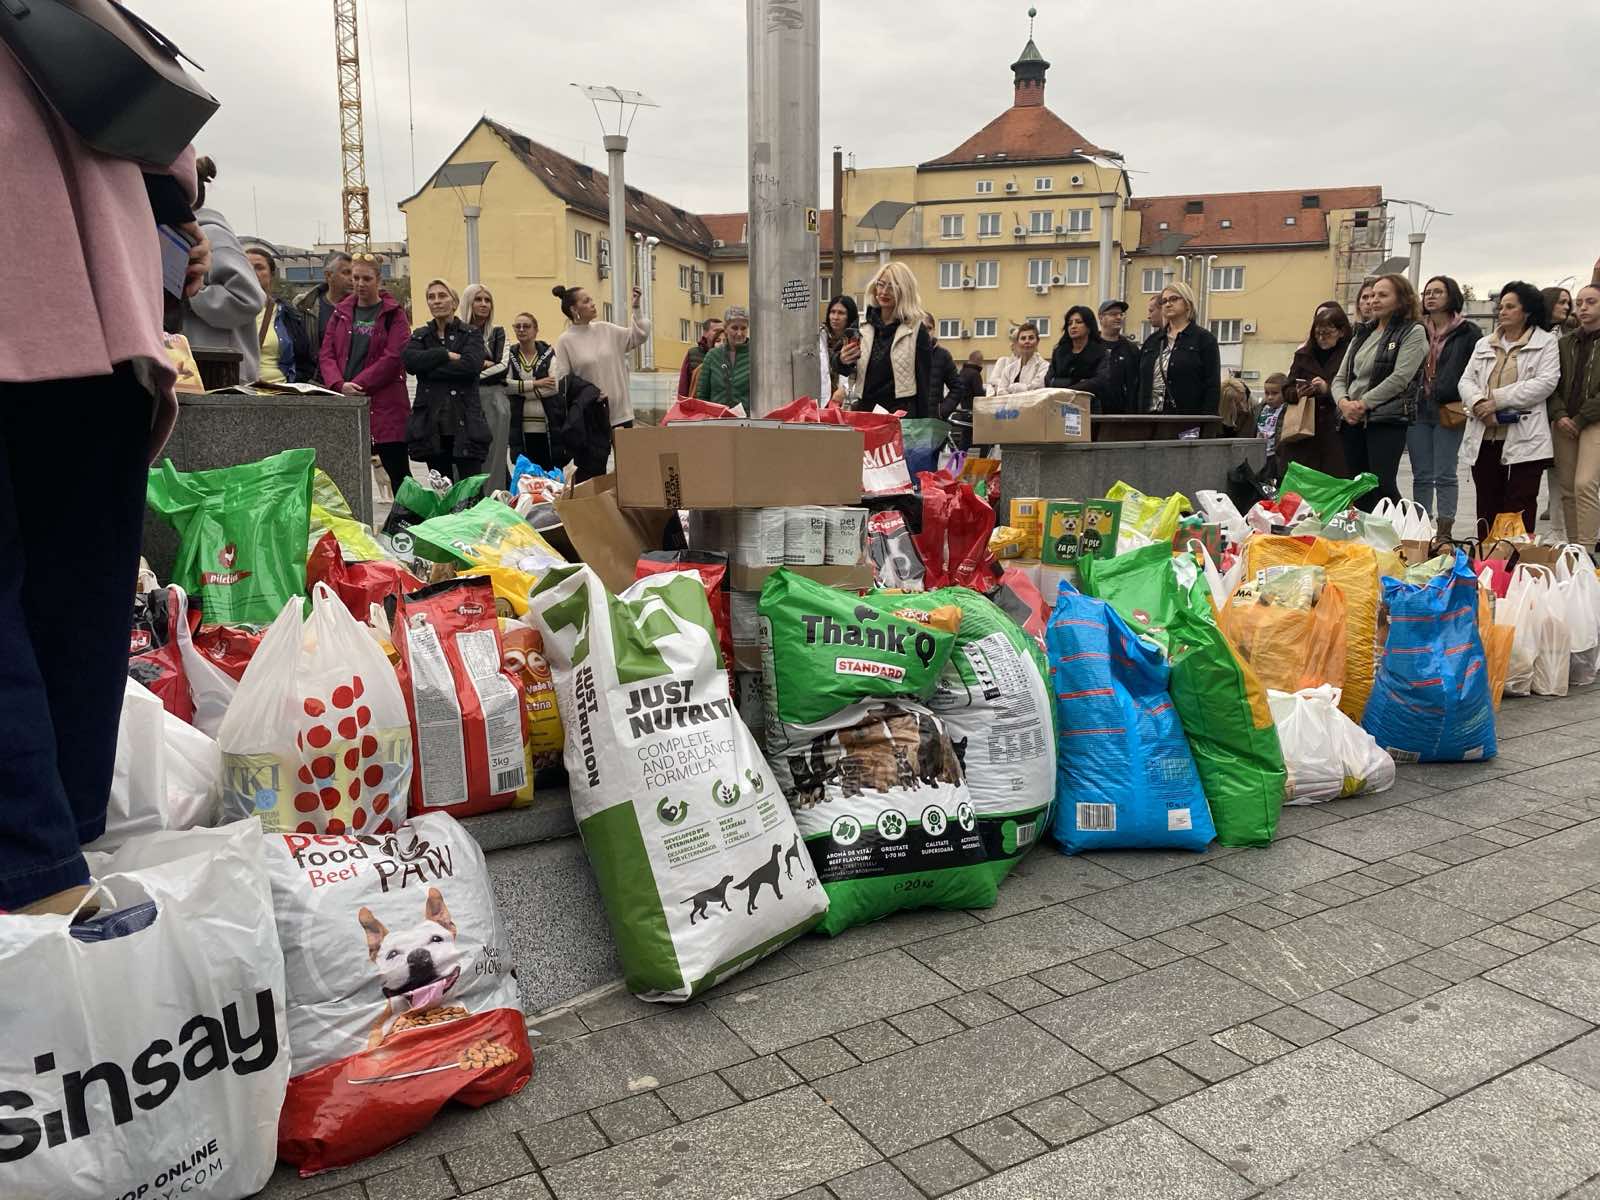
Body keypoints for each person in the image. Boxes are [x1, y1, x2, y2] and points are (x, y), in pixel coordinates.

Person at [2, 48, 208, 913]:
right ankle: (70, 829)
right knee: (79, 589)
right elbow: (173, 158)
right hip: (103, 313)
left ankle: (32, 868)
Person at [1458, 281, 1559, 537]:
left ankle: (1517, 566)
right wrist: (1480, 403)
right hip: (1485, 436)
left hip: (1524, 439)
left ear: (1527, 311)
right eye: (1500, 306)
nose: (1502, 311)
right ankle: (1488, 566)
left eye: (1510, 306)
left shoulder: (1546, 342)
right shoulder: (1484, 343)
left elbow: (1545, 382)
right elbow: (1466, 380)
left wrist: (1498, 400)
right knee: (1487, 506)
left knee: (1519, 507)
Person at [320, 254, 412, 495]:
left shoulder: (394, 314)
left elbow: (393, 357)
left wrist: (357, 385)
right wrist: (338, 384)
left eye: (367, 278)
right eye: (355, 277)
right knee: (345, 475)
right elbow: (326, 353)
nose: (360, 283)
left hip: (386, 407)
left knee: (399, 476)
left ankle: (409, 521)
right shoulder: (340, 312)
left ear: (379, 280)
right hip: (347, 403)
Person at [1333, 274, 1425, 509]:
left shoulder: (1412, 331)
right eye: (1372, 295)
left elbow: (1400, 378)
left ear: (1402, 299)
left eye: (1383, 295)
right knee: (1358, 485)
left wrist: (1363, 403)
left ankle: (1405, 535)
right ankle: (1366, 539)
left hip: (1386, 418)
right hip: (1352, 420)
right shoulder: (1362, 333)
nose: (1374, 300)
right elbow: (1340, 378)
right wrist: (1344, 404)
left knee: (1382, 485)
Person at [1408, 275, 1481, 537]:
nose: (1430, 296)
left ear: (1451, 296)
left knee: (1446, 472)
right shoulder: (1415, 328)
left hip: (1449, 406)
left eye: (1437, 292)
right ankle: (1421, 526)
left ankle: (1445, 529)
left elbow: (1477, 369)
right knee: (1422, 474)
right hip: (1417, 405)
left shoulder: (1468, 331)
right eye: (1427, 292)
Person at [181, 155, 265, 382]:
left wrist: (193, 293)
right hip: (198, 371)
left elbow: (248, 298)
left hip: (222, 377)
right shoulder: (180, 234)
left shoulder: (214, 235)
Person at [404, 278, 489, 482]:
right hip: (432, 424)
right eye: (431, 297)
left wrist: (429, 367)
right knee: (441, 490)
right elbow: (410, 362)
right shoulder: (420, 335)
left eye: (442, 296)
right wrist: (444, 354)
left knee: (470, 491)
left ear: (454, 302)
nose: (436, 301)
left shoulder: (471, 333)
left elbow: (470, 366)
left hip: (465, 422)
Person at [551, 283, 649, 429]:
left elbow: (639, 336)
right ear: (574, 309)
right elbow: (563, 380)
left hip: (622, 414)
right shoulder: (565, 341)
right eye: (586, 301)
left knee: (628, 452)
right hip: (591, 417)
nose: (592, 304)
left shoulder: (606, 329)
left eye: (591, 299)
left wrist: (636, 308)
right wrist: (589, 393)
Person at [841, 261, 934, 415]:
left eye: (891, 286)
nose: (884, 291)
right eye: (881, 284)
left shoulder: (916, 330)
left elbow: (924, 384)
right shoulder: (863, 324)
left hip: (900, 414)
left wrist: (924, 426)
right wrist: (842, 360)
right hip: (866, 410)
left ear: (904, 290)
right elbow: (843, 367)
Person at [1552, 285, 1600, 547]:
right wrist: (1559, 415)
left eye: (1590, 302)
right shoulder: (1565, 343)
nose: (1583, 307)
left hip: (1594, 421)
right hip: (1563, 421)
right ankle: (1574, 549)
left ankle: (1589, 549)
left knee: (1585, 484)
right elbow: (1553, 384)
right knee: (1568, 489)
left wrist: (1580, 419)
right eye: (1579, 302)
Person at [1282, 302, 1353, 477]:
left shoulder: (1350, 353)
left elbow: (1354, 388)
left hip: (1336, 430)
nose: (1322, 338)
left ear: (1341, 332)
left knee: (1335, 480)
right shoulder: (1304, 354)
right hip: (1304, 430)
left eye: (1328, 333)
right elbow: (1287, 388)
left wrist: (1327, 389)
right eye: (1318, 333)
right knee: (1303, 482)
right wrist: (1297, 392)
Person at [1138, 281, 1221, 416]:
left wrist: (1206, 423)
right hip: (1149, 419)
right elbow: (1140, 384)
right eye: (1164, 301)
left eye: (1174, 299)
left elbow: (1212, 386)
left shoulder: (1204, 339)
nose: (1168, 304)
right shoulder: (1152, 341)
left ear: (1188, 303)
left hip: (1185, 421)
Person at [460, 284, 511, 491]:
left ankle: (492, 503)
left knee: (494, 456)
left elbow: (503, 367)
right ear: (468, 303)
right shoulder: (456, 332)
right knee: (463, 456)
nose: (483, 304)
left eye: (487, 300)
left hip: (495, 400)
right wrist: (480, 363)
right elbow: (453, 364)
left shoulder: (498, 332)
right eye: (478, 299)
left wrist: (469, 368)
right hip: (463, 399)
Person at [245, 248, 315, 384]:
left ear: (271, 274)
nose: (252, 273)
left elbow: (305, 361)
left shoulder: (287, 314)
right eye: (246, 267)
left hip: (280, 392)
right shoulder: (227, 312)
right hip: (238, 393)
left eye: (259, 268)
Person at [506, 311, 558, 469]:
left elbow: (554, 387)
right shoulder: (509, 355)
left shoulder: (548, 354)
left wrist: (520, 390)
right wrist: (536, 383)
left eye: (526, 326)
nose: (521, 330)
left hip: (547, 426)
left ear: (536, 330)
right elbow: (506, 386)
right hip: (519, 427)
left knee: (548, 475)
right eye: (517, 326)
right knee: (526, 475)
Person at [295, 251, 353, 379]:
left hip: (352, 383)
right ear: (328, 275)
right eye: (346, 273)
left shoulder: (362, 307)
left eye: (353, 273)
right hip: (316, 382)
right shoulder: (304, 305)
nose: (352, 279)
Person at [1088, 299, 1140, 413]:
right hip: (1093, 413)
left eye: (1121, 314)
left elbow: (1135, 384)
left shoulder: (1131, 349)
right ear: (1101, 318)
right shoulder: (1090, 346)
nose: (1119, 317)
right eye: (1113, 314)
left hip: (1122, 416)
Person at [695, 306, 751, 409]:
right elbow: (702, 396)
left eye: (743, 328)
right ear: (725, 329)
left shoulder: (755, 356)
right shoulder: (713, 356)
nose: (739, 333)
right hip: (717, 422)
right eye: (734, 328)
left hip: (748, 422)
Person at [1046, 305, 1104, 391]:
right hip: (1059, 400)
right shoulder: (1059, 352)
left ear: (1089, 326)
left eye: (1079, 322)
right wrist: (1076, 382)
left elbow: (1098, 382)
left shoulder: (1100, 352)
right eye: (1069, 323)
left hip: (1089, 402)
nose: (1073, 326)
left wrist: (1062, 384)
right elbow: (1049, 380)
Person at [924, 314, 966, 419]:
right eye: (921, 328)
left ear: (934, 330)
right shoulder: (906, 354)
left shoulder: (942, 355)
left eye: (929, 328)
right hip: (908, 422)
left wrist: (942, 410)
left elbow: (958, 387)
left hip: (932, 423)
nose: (925, 332)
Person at [989, 322, 1049, 395]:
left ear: (1037, 342)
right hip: (1009, 406)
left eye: (1031, 338)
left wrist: (1012, 388)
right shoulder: (1008, 369)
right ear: (1017, 343)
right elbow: (1001, 392)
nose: (1027, 341)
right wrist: (1024, 388)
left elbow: (1037, 389)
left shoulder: (1044, 367)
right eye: (1023, 338)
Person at [822, 295, 859, 402]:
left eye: (841, 313)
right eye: (832, 312)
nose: (835, 317)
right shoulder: (821, 338)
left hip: (845, 400)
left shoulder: (856, 340)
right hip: (822, 399)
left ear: (850, 316)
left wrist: (846, 389)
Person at [677, 317, 723, 399]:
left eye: (722, 331)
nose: (719, 333)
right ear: (705, 333)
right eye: (716, 331)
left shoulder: (728, 355)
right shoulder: (693, 354)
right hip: (698, 405)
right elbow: (684, 384)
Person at [1260, 372, 1288, 480]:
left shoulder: (1286, 409)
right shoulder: (1260, 408)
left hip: (1275, 456)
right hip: (1260, 454)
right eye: (1267, 393)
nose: (1270, 397)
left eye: (1275, 393)